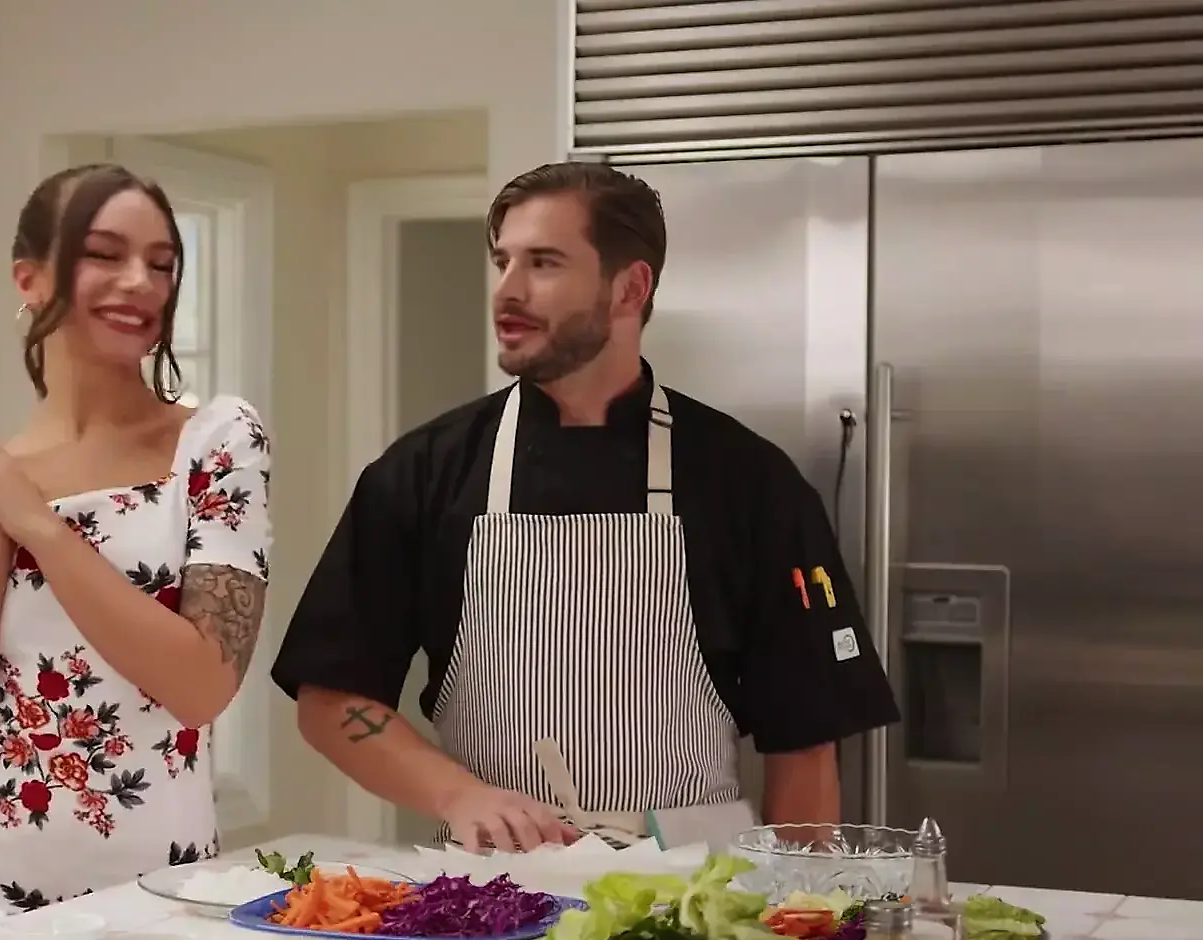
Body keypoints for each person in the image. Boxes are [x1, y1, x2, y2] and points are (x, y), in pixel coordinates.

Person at [272, 162, 899, 852]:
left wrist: (795, 905)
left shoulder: (749, 480)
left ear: (631, 287)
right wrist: (459, 795)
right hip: (494, 885)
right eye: (503, 261)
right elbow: (331, 701)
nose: (507, 290)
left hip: (698, 885)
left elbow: (805, 741)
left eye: (543, 263)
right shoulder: (424, 472)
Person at [0, 164, 273, 910]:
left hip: (154, 908)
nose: (140, 282)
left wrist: (37, 524)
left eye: (161, 264)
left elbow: (202, 685)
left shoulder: (217, 442)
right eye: (105, 254)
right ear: (29, 279)